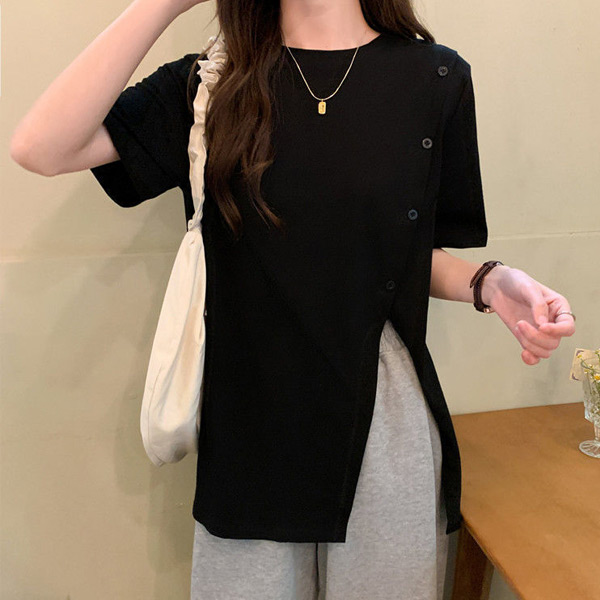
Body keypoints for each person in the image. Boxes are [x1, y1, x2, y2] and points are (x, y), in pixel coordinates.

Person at [10, 0, 576, 598]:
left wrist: (489, 281)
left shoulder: (435, 78)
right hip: (251, 430)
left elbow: (404, 253)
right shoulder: (210, 85)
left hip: (381, 420)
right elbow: (41, 148)